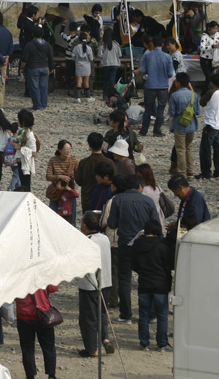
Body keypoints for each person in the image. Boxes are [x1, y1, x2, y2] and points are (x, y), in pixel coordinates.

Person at [107, 174, 161, 323]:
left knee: (124, 278)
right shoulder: (148, 201)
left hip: (125, 243)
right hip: (145, 245)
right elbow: (156, 224)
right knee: (146, 277)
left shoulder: (118, 199)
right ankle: (150, 314)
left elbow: (112, 224)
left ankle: (126, 314)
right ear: (139, 186)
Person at [77, 212, 114, 358]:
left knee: (88, 317)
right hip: (106, 281)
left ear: (85, 226)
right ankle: (105, 338)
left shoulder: (85, 240)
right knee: (102, 313)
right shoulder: (104, 238)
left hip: (90, 284)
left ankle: (92, 349)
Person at [133, 219, 172, 352]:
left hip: (144, 283)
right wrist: (169, 283)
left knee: (144, 315)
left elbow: (133, 264)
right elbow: (167, 267)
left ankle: (144, 343)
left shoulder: (137, 244)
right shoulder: (162, 245)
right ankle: (162, 343)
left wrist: (142, 271)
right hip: (160, 284)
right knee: (162, 315)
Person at [15, 286, 60, 379]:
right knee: (49, 347)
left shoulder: (18, 275)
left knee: (27, 349)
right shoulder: (41, 274)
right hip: (43, 315)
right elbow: (53, 288)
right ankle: (51, 375)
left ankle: (30, 375)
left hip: (23, 316)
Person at [167, 72, 200, 177]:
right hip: (192, 125)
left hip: (179, 125)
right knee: (189, 147)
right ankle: (190, 171)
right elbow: (198, 112)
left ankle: (181, 172)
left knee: (180, 149)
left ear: (178, 82)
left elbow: (172, 113)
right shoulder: (195, 95)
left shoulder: (174, 96)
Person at [139, 38, 173, 136]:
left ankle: (144, 130)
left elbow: (143, 69)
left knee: (148, 109)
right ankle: (157, 130)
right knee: (161, 109)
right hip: (163, 85)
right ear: (162, 44)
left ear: (152, 44)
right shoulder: (167, 57)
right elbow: (170, 73)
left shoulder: (148, 55)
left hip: (150, 85)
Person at [198, 74, 219, 180]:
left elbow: (201, 102)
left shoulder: (212, 92)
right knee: (218, 149)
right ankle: (218, 171)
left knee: (205, 150)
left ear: (213, 83)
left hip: (210, 124)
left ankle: (206, 172)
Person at [46, 140, 79, 225]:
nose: (68, 151)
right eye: (66, 149)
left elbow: (78, 176)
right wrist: (60, 177)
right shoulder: (53, 160)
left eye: (70, 149)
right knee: (54, 218)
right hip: (56, 192)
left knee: (71, 220)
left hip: (69, 192)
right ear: (60, 150)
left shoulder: (74, 161)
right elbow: (48, 176)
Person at [22, 27, 54, 110]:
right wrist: (51, 68)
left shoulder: (29, 45)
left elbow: (25, 59)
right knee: (43, 87)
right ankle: (44, 104)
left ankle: (37, 105)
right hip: (45, 67)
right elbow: (51, 57)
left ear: (33, 34)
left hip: (33, 67)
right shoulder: (47, 45)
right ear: (42, 34)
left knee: (34, 87)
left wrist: (22, 68)